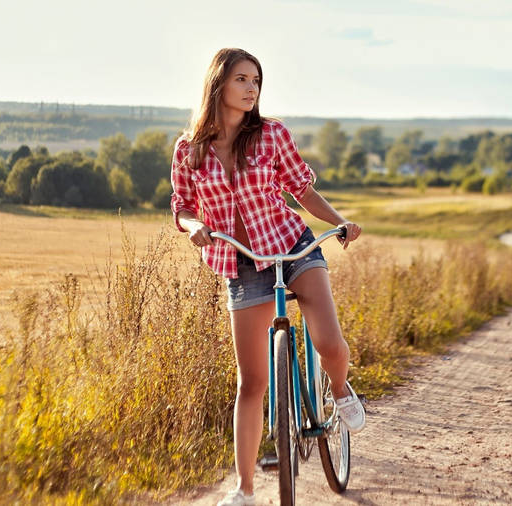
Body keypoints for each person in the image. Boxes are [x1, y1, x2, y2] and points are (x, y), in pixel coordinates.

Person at [170, 48, 366, 506]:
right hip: (240, 263)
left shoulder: (272, 134)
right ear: (219, 83)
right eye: (242, 79)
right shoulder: (189, 149)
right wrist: (195, 226)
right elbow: (180, 206)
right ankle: (244, 489)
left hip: (292, 247)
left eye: (256, 80)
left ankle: (339, 391)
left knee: (330, 344)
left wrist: (338, 223)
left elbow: (301, 189)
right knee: (251, 382)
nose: (252, 88)